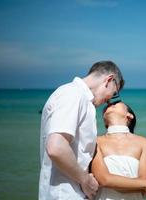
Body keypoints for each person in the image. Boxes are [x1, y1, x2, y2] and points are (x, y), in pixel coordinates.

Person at [39, 61, 124, 200]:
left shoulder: (81, 99)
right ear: (109, 80)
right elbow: (56, 147)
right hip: (63, 194)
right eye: (114, 93)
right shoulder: (73, 94)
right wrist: (85, 180)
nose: (110, 101)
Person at [91, 100, 146, 199]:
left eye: (115, 103)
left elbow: (144, 184)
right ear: (105, 121)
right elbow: (103, 179)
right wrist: (145, 184)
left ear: (129, 116)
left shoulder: (144, 142)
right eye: (107, 107)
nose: (110, 104)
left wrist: (144, 184)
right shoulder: (95, 141)